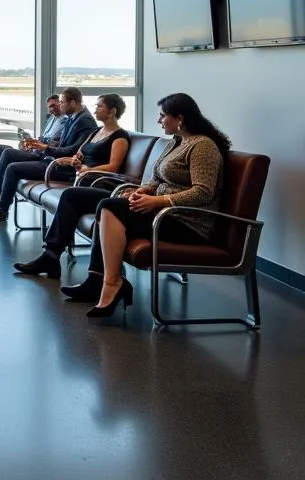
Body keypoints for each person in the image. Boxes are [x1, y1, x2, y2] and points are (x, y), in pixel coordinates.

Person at [64, 93, 229, 317]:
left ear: (179, 118)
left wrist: (160, 201)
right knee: (109, 205)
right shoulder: (178, 142)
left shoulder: (202, 146)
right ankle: (98, 279)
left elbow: (203, 191)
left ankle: (111, 283)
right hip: (165, 212)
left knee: (109, 207)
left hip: (187, 222)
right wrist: (143, 190)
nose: (159, 121)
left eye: (162, 116)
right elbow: (157, 179)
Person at [14, 93, 131, 278]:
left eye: (100, 106)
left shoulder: (120, 137)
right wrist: (73, 161)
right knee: (70, 197)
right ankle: (50, 256)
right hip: (84, 178)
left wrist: (87, 169)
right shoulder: (96, 132)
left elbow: (113, 166)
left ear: (112, 111)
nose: (95, 109)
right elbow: (79, 154)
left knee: (69, 196)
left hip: (100, 183)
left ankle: (50, 257)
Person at [0, 86, 97, 223]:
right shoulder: (75, 117)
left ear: (73, 103)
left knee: (12, 168)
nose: (60, 105)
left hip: (63, 168)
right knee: (6, 153)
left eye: (62, 102)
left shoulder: (84, 121)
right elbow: (65, 144)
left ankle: (1, 208)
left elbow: (73, 151)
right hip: (53, 160)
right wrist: (42, 145)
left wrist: (46, 148)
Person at [0, 94, 64, 172]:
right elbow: (43, 138)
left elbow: (53, 143)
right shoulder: (51, 119)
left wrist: (36, 145)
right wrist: (29, 144)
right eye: (49, 107)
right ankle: (1, 179)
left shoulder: (65, 122)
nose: (52, 108)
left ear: (60, 104)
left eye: (54, 105)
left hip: (39, 154)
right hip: (33, 150)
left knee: (7, 152)